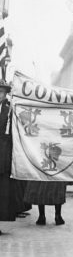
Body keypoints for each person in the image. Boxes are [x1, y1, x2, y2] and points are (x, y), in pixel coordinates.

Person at [0, 80, 19, 234]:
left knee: (2, 192)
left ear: (6, 94)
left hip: (3, 157)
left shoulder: (10, 110)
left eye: (1, 92)